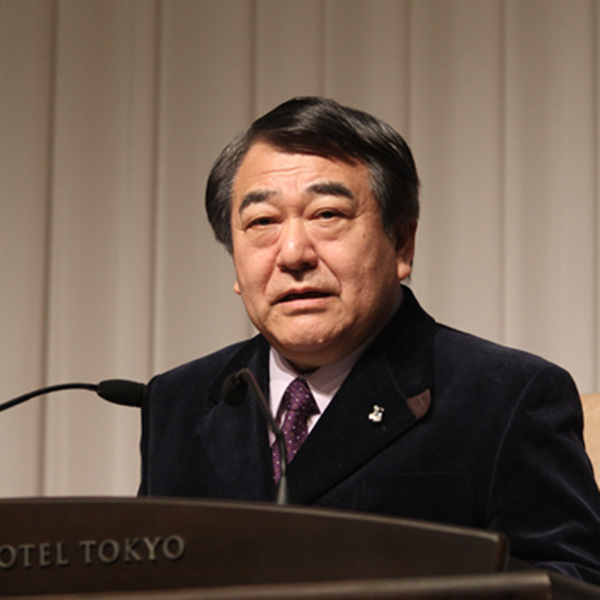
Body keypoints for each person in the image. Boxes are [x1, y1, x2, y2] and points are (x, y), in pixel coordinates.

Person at [139, 96, 600, 584]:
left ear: (402, 243)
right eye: (262, 222)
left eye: (327, 214)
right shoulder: (178, 402)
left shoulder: (506, 396)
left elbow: (571, 581)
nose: (292, 254)